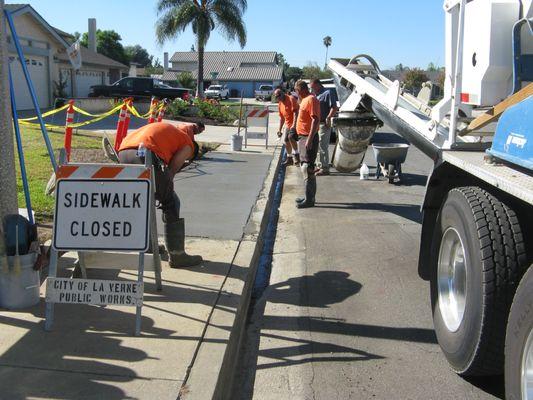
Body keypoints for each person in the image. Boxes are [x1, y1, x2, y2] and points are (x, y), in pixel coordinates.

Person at [118, 122, 202, 268]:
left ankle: (149, 245)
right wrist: (166, 188)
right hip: (145, 154)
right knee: (171, 202)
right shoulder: (188, 144)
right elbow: (171, 171)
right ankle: (177, 256)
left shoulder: (170, 132)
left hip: (123, 152)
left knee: (144, 199)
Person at [294, 80, 320, 208]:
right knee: (305, 167)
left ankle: (310, 200)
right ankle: (309, 197)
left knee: (307, 168)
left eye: (297, 90)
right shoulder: (304, 99)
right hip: (302, 137)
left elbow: (316, 120)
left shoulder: (311, 99)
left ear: (302, 89)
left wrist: (309, 139)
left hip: (308, 138)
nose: (296, 92)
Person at [310, 79, 339, 176]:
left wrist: (329, 117)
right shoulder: (315, 95)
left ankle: (325, 168)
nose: (312, 89)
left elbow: (334, 107)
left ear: (318, 85)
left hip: (324, 123)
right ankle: (319, 166)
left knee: (323, 145)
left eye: (313, 87)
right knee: (317, 145)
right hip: (316, 123)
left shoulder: (328, 93)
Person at [274, 88, 300, 166]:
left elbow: (296, 113)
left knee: (291, 137)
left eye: (279, 95)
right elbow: (282, 118)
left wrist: (294, 125)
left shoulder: (291, 99)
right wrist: (279, 130)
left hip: (297, 123)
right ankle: (289, 158)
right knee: (286, 141)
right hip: (288, 124)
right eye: (276, 97)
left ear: (282, 93)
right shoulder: (280, 103)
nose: (278, 98)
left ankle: (297, 156)